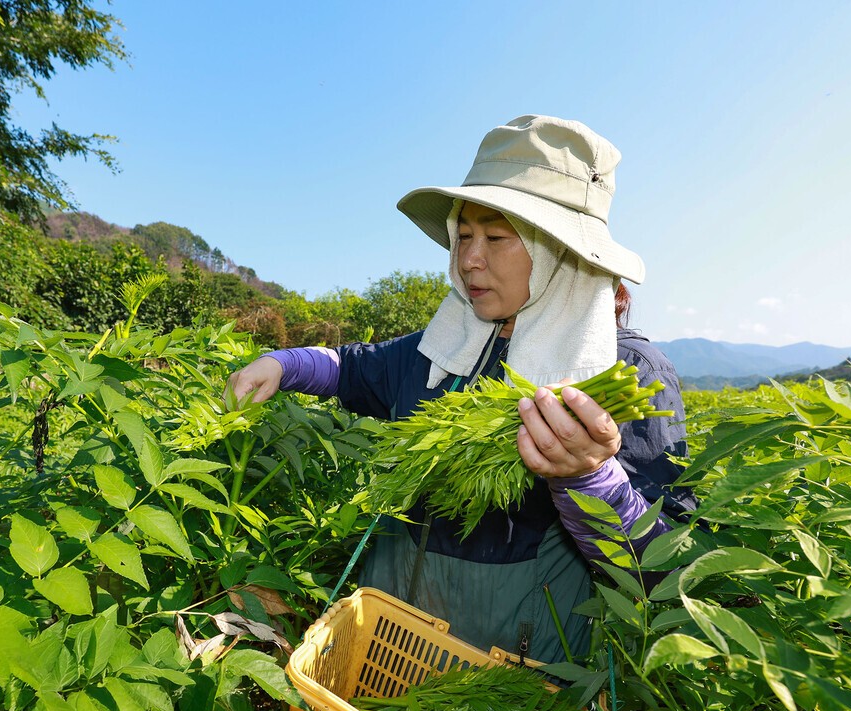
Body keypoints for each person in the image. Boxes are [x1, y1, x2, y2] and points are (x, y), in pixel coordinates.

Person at [227, 115, 695, 665]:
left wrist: (590, 480)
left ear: (559, 253)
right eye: (464, 235)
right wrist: (282, 364)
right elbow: (354, 368)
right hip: (390, 637)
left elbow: (662, 570)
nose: (469, 258)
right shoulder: (453, 343)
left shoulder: (625, 372)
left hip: (511, 666)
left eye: (495, 237)